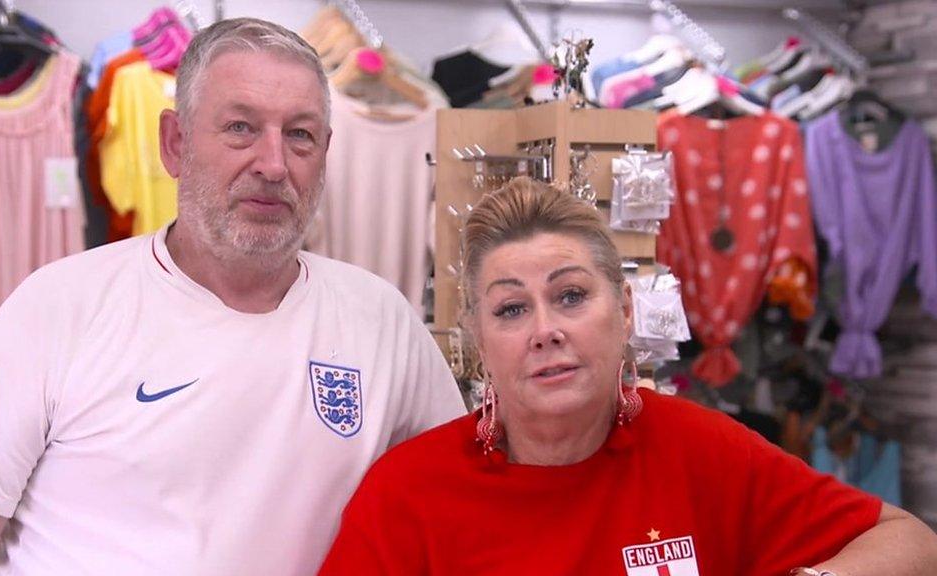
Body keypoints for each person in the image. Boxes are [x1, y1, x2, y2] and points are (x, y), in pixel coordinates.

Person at [0, 18, 465, 576]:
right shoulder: (59, 308)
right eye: (240, 128)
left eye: (299, 134)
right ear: (175, 144)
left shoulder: (382, 322)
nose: (273, 165)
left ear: (325, 151)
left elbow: (458, 507)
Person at [318, 177, 937, 576]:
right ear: (478, 342)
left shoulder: (704, 452)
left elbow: (909, 542)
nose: (544, 329)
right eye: (511, 308)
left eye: (570, 296)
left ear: (624, 313)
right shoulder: (406, 496)